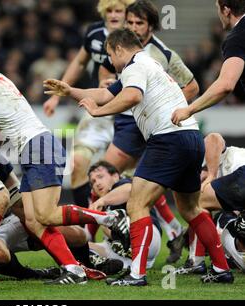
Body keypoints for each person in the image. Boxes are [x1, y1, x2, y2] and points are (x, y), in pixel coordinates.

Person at [43, 29, 233, 285]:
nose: (110, 61)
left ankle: (137, 275)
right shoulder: (147, 65)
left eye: (110, 54)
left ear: (120, 49)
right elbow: (105, 94)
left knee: (136, 205)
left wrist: (98, 113)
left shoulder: (135, 66)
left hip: (167, 140)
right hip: (191, 138)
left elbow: (132, 97)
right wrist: (70, 90)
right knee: (190, 208)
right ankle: (222, 270)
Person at [0, 55, 127, 285]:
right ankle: (73, 269)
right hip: (34, 148)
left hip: (38, 147)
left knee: (46, 215)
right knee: (34, 222)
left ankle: (109, 218)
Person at [98, 0, 199, 263]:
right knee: (136, 183)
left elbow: (191, 87)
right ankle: (170, 228)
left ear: (151, 26)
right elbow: (107, 83)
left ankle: (123, 256)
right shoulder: (120, 48)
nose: (133, 27)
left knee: (106, 177)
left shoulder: (162, 54)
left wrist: (168, 110)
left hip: (156, 128)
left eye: (139, 23)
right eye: (129, 22)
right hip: (132, 123)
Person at [43, 0, 133, 212]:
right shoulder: (94, 33)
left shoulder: (135, 36)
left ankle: (167, 226)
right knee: (77, 165)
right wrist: (57, 95)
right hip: (99, 108)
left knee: (131, 176)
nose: (113, 15)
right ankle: (87, 224)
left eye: (118, 10)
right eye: (109, 10)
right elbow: (80, 62)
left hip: (130, 112)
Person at [175, 133, 245, 274]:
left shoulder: (223, 157)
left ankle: (196, 262)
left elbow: (213, 138)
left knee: (196, 204)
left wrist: (211, 174)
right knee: (232, 223)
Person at [172, 0, 245, 125]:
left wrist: (189, 109)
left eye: (218, 9)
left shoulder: (237, 37)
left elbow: (226, 84)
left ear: (226, 10)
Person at [87, 161, 161, 272]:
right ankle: (106, 263)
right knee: (80, 247)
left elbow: (129, 189)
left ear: (115, 176)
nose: (97, 183)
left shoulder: (122, 184)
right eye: (93, 181)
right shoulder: (104, 205)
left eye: (100, 177)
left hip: (147, 237)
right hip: (120, 250)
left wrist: (102, 201)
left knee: (112, 219)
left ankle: (122, 246)